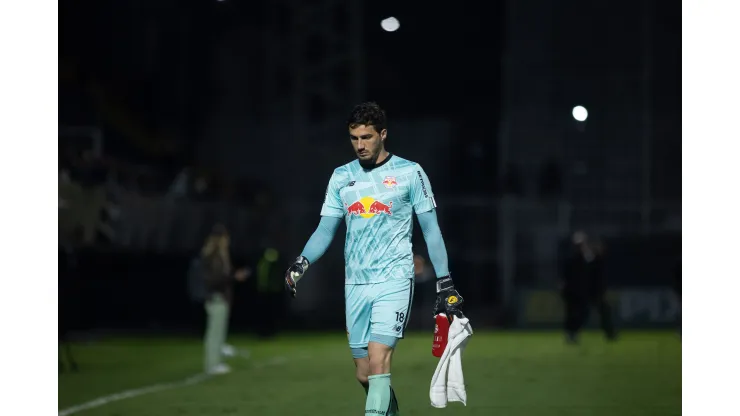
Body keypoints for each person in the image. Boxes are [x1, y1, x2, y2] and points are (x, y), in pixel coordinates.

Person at [283, 102, 464, 415]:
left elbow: (432, 231)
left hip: (394, 279)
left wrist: (444, 282)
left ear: (383, 134)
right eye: (354, 138)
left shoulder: (410, 173)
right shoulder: (341, 177)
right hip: (356, 282)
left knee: (379, 360)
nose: (360, 144)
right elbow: (325, 230)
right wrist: (302, 262)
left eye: (366, 137)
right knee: (364, 373)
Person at [200, 224, 249, 374]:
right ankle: (212, 365)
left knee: (217, 332)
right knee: (214, 334)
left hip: (218, 298)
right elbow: (216, 279)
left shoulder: (215, 255)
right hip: (217, 298)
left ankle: (216, 362)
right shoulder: (215, 256)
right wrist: (234, 276)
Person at [560, 230, 616, 343]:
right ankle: (572, 333)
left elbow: (595, 273)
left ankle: (609, 332)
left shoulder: (588, 258)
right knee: (578, 314)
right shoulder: (573, 259)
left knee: (601, 310)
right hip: (576, 291)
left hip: (588, 290)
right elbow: (567, 276)